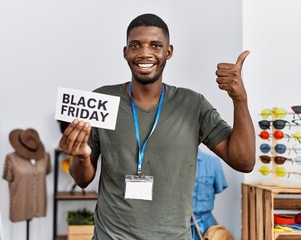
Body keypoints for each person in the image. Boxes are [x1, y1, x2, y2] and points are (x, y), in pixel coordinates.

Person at [59, 13, 255, 240]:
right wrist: (82, 157)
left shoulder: (192, 104)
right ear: (125, 52)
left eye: (155, 45)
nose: (144, 53)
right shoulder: (103, 99)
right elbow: (82, 179)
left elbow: (244, 161)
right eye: (135, 45)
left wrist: (240, 99)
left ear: (168, 51)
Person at [191, 149, 228, 240]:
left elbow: (219, 187)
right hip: (176, 227)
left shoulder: (213, 162)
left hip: (206, 228)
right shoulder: (167, 162)